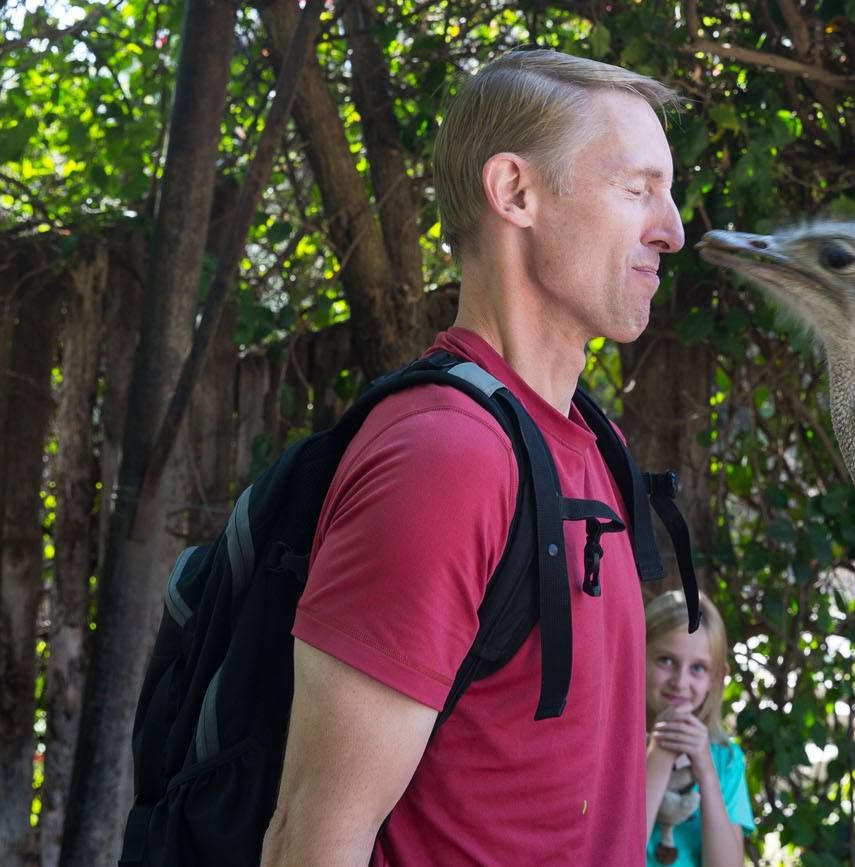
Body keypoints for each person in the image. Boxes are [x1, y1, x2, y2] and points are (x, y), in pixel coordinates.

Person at [259, 48, 686, 867]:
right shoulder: (444, 461)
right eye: (638, 190)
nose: (670, 229)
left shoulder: (597, 446)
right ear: (515, 192)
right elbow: (313, 837)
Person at [645, 591, 754, 866]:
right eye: (665, 660)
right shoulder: (608, 745)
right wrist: (658, 757)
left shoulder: (726, 760)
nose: (680, 682)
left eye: (698, 668)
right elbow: (612, 854)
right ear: (637, 656)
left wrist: (705, 769)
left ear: (716, 679)